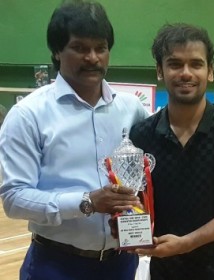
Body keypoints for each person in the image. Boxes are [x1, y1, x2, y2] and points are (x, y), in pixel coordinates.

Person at [0, 1, 149, 280]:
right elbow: (14, 198)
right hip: (56, 265)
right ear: (57, 52)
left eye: (100, 48)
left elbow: (152, 176)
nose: (92, 58)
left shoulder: (132, 109)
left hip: (121, 263)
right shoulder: (28, 115)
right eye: (80, 48)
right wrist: (87, 202)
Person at [129, 23, 214, 279]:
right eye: (174, 64)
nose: (186, 73)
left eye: (196, 63)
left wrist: (188, 242)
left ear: (210, 71)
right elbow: (136, 203)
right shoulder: (142, 135)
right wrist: (126, 225)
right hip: (167, 270)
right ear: (160, 71)